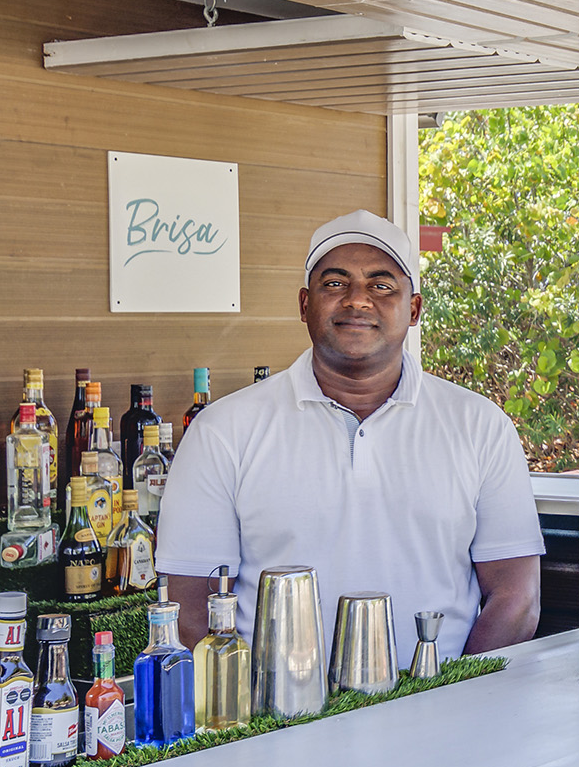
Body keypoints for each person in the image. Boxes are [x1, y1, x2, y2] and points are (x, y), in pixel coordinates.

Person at [157, 211, 544, 656]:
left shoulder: (480, 425)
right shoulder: (223, 431)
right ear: (305, 304)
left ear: (413, 309)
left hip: (441, 709)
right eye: (335, 284)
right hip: (277, 721)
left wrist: (455, 700)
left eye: (381, 286)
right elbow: (187, 611)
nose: (357, 300)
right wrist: (258, 719)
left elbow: (517, 601)